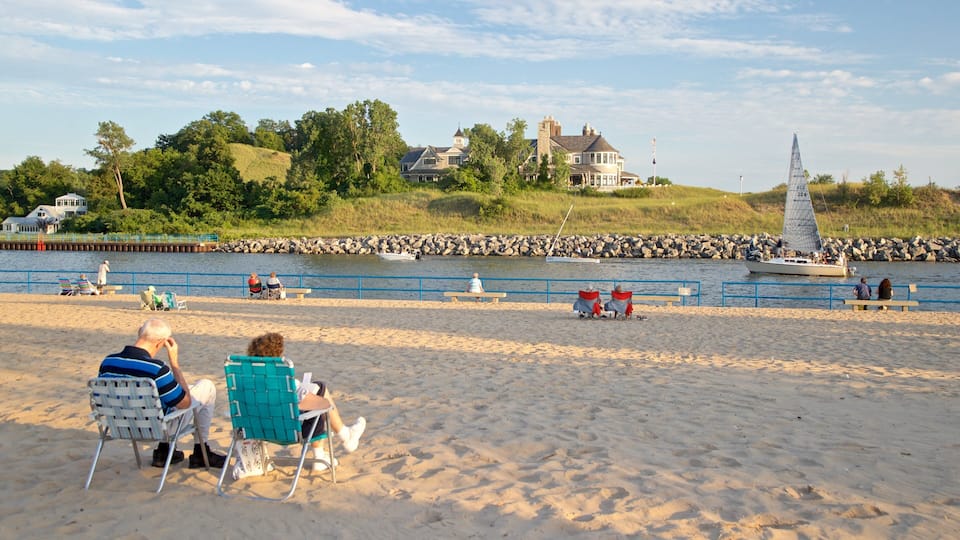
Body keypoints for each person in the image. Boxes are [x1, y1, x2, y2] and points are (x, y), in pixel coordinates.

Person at [98, 318, 226, 468]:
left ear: (140, 333)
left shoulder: (107, 363)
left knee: (166, 394)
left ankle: (163, 452)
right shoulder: (157, 369)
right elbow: (186, 403)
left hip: (118, 426)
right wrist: (174, 364)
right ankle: (200, 452)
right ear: (161, 343)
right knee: (206, 387)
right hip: (155, 429)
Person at [247, 332, 366, 471]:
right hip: (288, 432)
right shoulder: (286, 384)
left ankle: (344, 437)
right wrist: (320, 399)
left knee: (314, 394)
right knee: (319, 392)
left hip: (256, 430)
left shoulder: (246, 383)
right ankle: (336, 443)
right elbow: (322, 405)